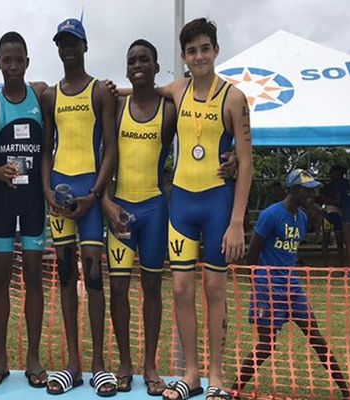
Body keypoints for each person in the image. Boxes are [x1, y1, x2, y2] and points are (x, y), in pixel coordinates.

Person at [157, 18, 253, 400]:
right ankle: (191, 373)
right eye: (192, 50)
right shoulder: (178, 89)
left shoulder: (233, 97)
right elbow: (143, 88)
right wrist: (113, 88)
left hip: (216, 204)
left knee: (214, 288)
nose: (199, 56)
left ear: (216, 50)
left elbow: (246, 162)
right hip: (181, 200)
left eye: (205, 48)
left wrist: (236, 222)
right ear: (183, 56)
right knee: (181, 289)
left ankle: (216, 375)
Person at [41, 18, 119, 396]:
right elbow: (44, 151)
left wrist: (96, 193)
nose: (67, 48)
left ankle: (99, 365)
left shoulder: (99, 92)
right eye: (62, 43)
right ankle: (72, 364)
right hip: (59, 191)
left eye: (73, 42)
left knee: (93, 276)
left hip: (89, 191)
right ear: (57, 48)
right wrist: (47, 193)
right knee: (66, 276)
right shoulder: (50, 95)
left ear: (85, 47)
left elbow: (111, 148)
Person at [232, 169, 350, 400]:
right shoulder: (271, 215)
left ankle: (347, 392)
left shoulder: (303, 217)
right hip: (268, 287)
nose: (312, 195)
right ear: (294, 190)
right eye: (307, 191)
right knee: (266, 346)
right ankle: (235, 389)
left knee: (316, 338)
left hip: (292, 288)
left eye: (313, 190)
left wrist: (318, 216)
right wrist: (258, 288)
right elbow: (252, 255)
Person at [101, 39, 174, 395]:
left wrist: (232, 157)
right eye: (132, 61)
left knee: (152, 288)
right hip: (121, 209)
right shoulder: (117, 105)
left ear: (157, 67)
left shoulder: (170, 108)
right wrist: (105, 202)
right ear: (126, 67)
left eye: (145, 59)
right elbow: (103, 160)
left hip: (154, 208)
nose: (138, 64)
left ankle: (150, 366)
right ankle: (125, 363)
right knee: (118, 288)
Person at [0, 31, 49, 388]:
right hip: (4, 203)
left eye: (18, 59)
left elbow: (50, 145)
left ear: (27, 61)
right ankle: (0, 358)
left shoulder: (41, 95)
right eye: (6, 60)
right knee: (2, 279)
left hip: (35, 200)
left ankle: (34, 358)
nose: (13, 65)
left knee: (35, 278)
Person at [320, 165, 347, 267]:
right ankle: (326, 262)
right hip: (329, 213)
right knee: (327, 237)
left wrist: (328, 199)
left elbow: (338, 200)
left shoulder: (342, 184)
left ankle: (339, 262)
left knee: (338, 239)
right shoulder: (330, 185)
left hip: (337, 213)